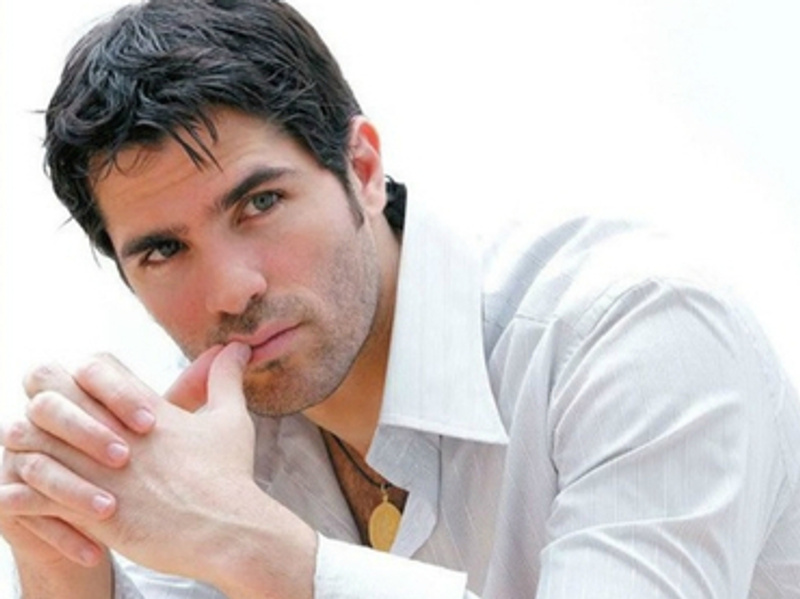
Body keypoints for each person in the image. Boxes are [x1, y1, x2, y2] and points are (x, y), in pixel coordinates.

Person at [1, 0, 799, 597]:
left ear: (363, 169)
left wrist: (257, 549)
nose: (232, 290)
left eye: (261, 203)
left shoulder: (639, 329)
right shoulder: (219, 446)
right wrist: (64, 563)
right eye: (165, 251)